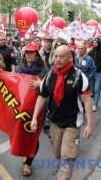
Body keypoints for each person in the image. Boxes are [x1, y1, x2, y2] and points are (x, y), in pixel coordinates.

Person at [31, 45, 93, 180]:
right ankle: (62, 174)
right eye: (56, 56)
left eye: (62, 56)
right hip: (55, 122)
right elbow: (42, 96)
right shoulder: (50, 75)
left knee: (68, 156)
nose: (57, 59)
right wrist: (34, 117)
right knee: (58, 155)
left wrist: (89, 125)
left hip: (73, 122)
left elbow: (87, 101)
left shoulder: (78, 76)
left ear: (70, 57)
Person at [15, 43, 49, 177]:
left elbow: (52, 83)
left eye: (31, 52)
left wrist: (41, 83)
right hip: (22, 107)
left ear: (36, 54)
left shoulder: (44, 70)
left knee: (33, 133)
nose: (29, 54)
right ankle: (26, 153)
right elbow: (12, 82)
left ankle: (28, 163)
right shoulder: (19, 68)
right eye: (27, 52)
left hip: (37, 108)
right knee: (22, 132)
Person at [88, 38, 101, 112]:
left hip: (99, 73)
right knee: (92, 89)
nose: (95, 43)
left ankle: (95, 104)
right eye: (94, 42)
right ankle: (93, 102)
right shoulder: (91, 52)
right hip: (92, 73)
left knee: (97, 89)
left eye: (96, 42)